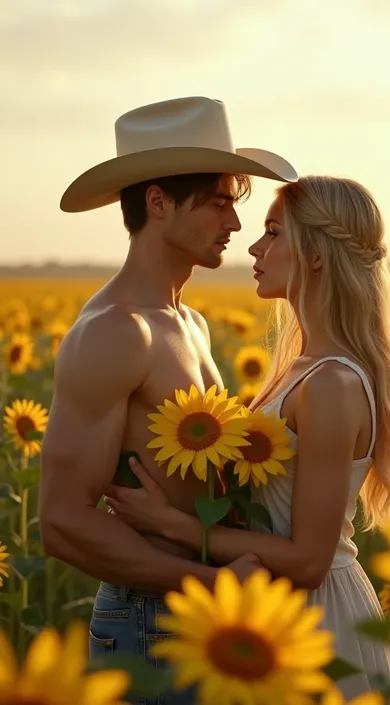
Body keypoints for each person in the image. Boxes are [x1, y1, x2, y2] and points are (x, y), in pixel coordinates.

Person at [104, 174, 390, 703]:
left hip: (317, 621)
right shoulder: (299, 369)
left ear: (316, 255)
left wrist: (176, 525)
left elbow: (307, 559)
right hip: (276, 614)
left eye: (273, 233)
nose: (254, 246)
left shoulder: (330, 385)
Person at [38, 96, 298, 704]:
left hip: (202, 613)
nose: (235, 224)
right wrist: (209, 582)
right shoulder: (114, 331)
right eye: (220, 202)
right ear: (158, 202)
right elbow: (61, 522)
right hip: (151, 621)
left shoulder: (190, 323)